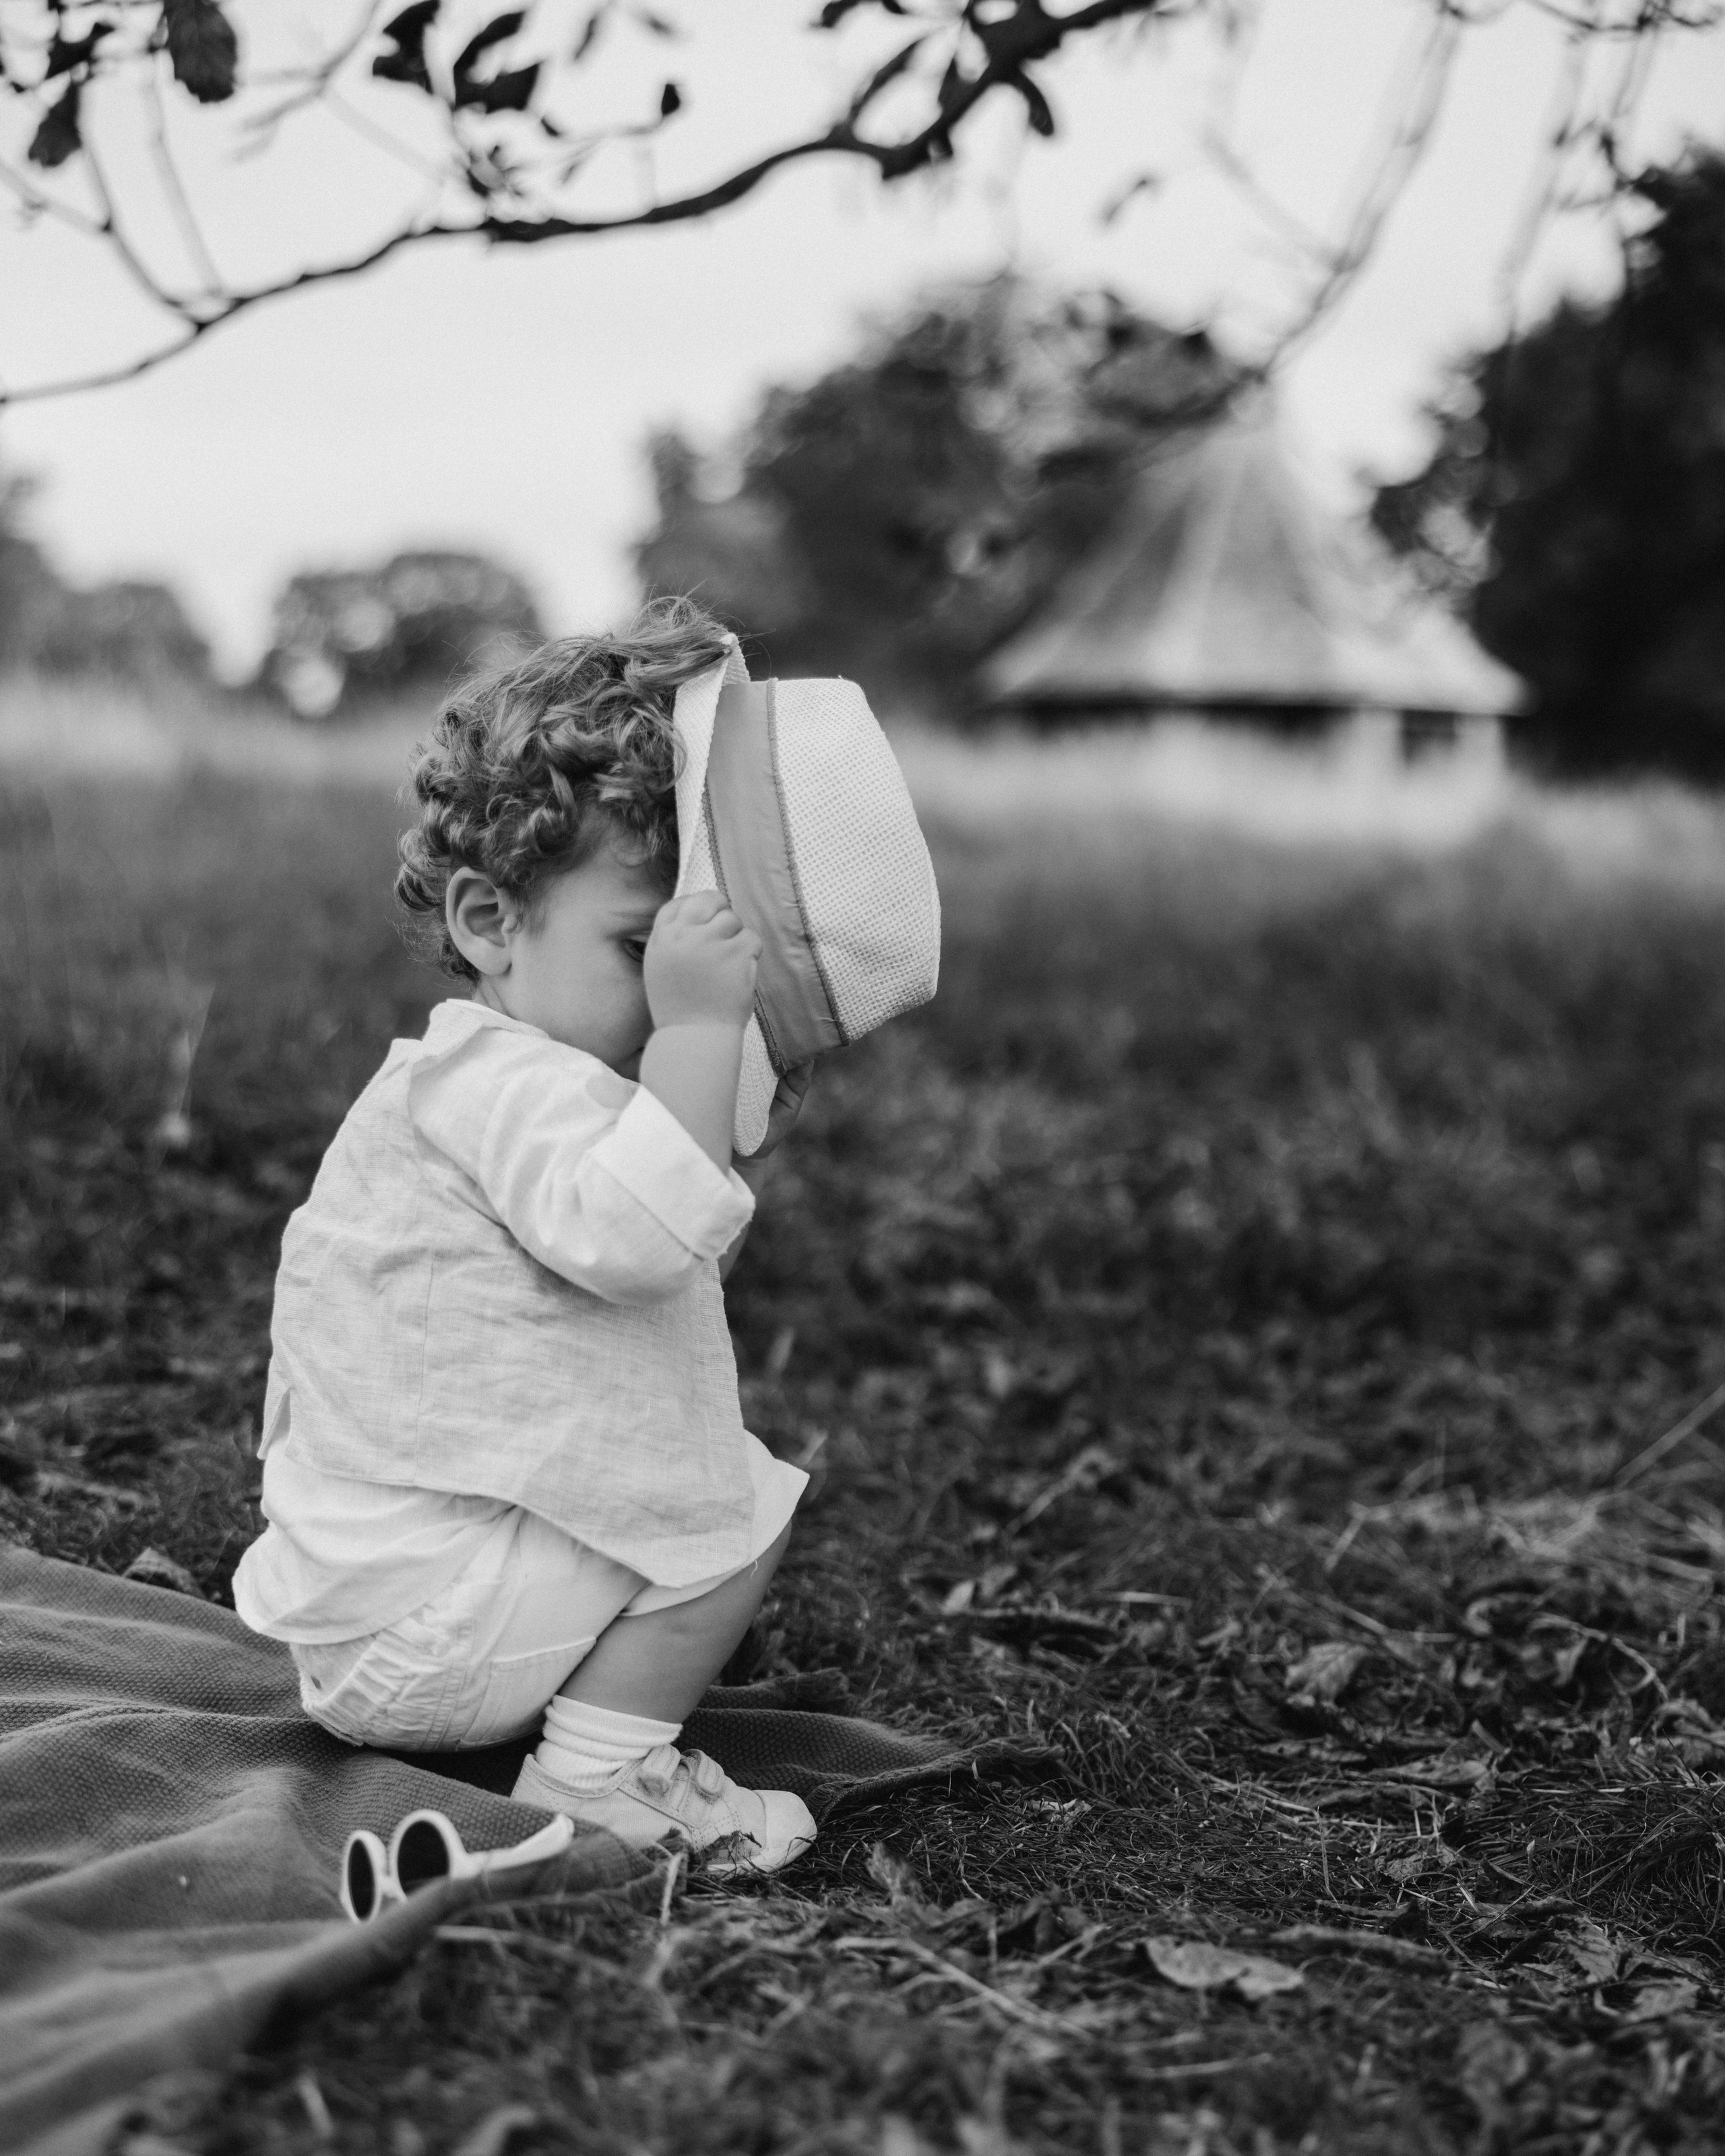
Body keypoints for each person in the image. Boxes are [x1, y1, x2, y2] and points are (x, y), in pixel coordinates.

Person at [232, 599, 823, 1874]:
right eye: (641, 948)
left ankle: (571, 1704)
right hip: (427, 1631)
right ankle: (604, 1783)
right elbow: (645, 1243)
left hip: (370, 1620)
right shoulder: (514, 1087)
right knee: (741, 1507)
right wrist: (702, 1034)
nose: (676, 988)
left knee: (692, 1480)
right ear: (489, 922)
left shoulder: (475, 1083)